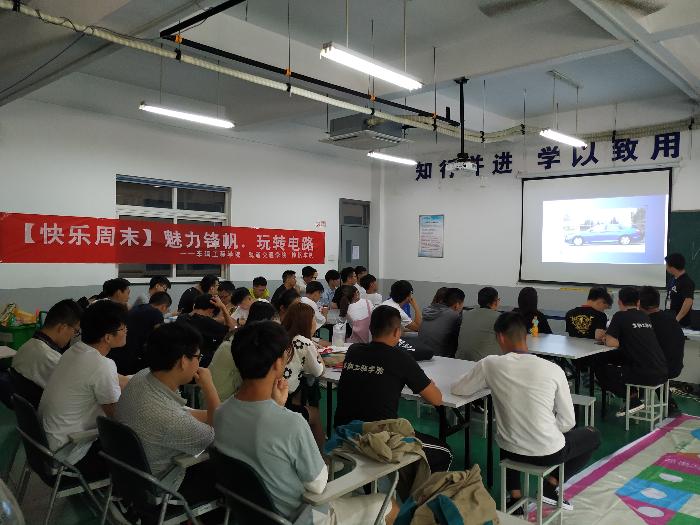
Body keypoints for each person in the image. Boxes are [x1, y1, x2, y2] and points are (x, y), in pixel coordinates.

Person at [214, 321, 399, 525]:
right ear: (277, 364)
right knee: (389, 506)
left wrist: (276, 406)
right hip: (303, 517)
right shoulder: (290, 423)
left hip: (252, 515)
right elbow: (318, 485)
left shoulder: (221, 413)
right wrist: (279, 411)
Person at [452, 312, 600, 509]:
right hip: (549, 453)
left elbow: (460, 389)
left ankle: (514, 497)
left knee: (509, 429)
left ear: (500, 337)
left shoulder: (490, 364)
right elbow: (568, 422)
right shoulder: (553, 369)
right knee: (593, 435)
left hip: (510, 450)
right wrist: (543, 431)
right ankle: (551, 487)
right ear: (526, 336)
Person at [334, 306, 452, 472]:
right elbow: (436, 399)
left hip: (344, 430)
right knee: (445, 452)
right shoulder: (401, 358)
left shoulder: (354, 351)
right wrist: (428, 384)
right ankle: (411, 488)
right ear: (397, 332)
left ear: (371, 328)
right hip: (379, 438)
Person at [115, 323, 219, 508]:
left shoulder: (143, 377)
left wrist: (211, 413)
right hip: (161, 488)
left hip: (130, 477)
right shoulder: (171, 419)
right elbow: (219, 434)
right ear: (183, 361)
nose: (199, 362)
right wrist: (210, 388)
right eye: (198, 357)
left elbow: (183, 413)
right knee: (228, 474)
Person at [38, 301, 130, 477]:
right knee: (137, 448)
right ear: (107, 337)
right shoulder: (102, 364)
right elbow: (118, 417)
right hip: (68, 454)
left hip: (46, 446)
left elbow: (118, 380)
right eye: (123, 328)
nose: (126, 330)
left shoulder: (75, 351)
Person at [597, 286, 668, 415]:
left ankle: (632, 399)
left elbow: (612, 342)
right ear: (638, 302)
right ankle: (634, 397)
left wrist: (605, 338)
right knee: (623, 363)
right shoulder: (644, 316)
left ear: (619, 302)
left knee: (602, 369)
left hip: (645, 374)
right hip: (662, 371)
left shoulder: (620, 316)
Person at [210, 301, 277, 402]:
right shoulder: (249, 344)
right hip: (223, 400)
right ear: (267, 321)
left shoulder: (238, 334)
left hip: (211, 394)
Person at [281, 303, 326, 448]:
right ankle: (320, 457)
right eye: (314, 319)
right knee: (315, 414)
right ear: (306, 322)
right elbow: (319, 371)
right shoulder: (304, 342)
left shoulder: (281, 336)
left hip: (275, 395)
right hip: (284, 401)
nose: (315, 323)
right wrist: (315, 350)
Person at [12, 299, 82, 390]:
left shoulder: (26, 346)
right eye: (75, 331)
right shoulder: (53, 360)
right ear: (63, 328)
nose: (73, 336)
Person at [639, 285, 685, 415]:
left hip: (659, 370)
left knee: (629, 363)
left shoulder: (645, 322)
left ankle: (633, 399)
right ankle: (669, 403)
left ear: (639, 303)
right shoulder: (671, 319)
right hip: (675, 367)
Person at [115, 291, 172, 375]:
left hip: (119, 352)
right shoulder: (157, 313)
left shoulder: (138, 307)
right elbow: (161, 337)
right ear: (164, 307)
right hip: (131, 357)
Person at [176, 294, 233, 367]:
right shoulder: (206, 322)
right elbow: (231, 330)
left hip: (181, 358)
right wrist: (223, 307)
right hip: (200, 362)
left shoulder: (181, 317)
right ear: (211, 310)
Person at [455, 287, 501, 362]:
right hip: (482, 364)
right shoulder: (500, 318)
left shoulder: (466, 314)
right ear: (496, 302)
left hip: (459, 360)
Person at [418, 288, 464, 358]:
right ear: (457, 305)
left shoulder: (429, 310)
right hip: (440, 358)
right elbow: (461, 341)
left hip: (421, 353)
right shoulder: (454, 316)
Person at [666, 253, 695, 327]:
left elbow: (688, 301)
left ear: (672, 268)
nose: (666, 267)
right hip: (671, 317)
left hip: (681, 322)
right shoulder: (673, 279)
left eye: (667, 265)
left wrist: (677, 319)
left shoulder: (687, 282)